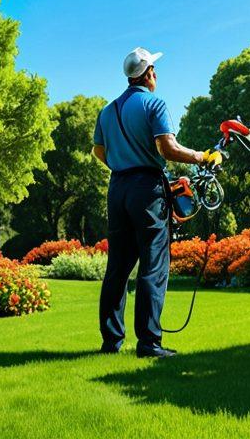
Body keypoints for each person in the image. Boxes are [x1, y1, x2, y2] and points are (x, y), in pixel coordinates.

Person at [91, 46, 222, 358]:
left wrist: (123, 165)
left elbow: (99, 152)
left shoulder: (107, 111)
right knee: (153, 264)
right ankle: (149, 343)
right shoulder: (154, 104)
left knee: (118, 268)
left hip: (117, 188)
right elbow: (167, 147)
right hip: (147, 188)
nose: (156, 75)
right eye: (154, 70)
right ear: (147, 73)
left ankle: (111, 342)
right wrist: (203, 157)